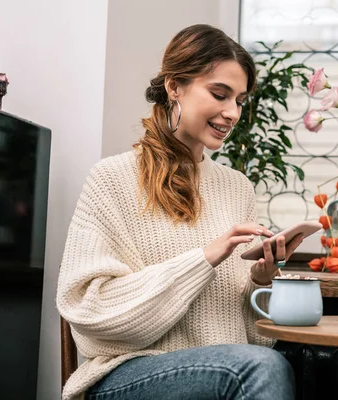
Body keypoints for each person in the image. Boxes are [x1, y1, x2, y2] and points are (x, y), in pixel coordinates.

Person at [56, 24, 303, 400]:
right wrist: (203, 259)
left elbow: (255, 340)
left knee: (296, 362)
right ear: (175, 87)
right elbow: (89, 317)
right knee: (257, 369)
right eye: (219, 94)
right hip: (126, 375)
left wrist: (261, 280)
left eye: (239, 100)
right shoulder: (112, 179)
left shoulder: (237, 188)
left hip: (224, 371)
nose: (231, 112)